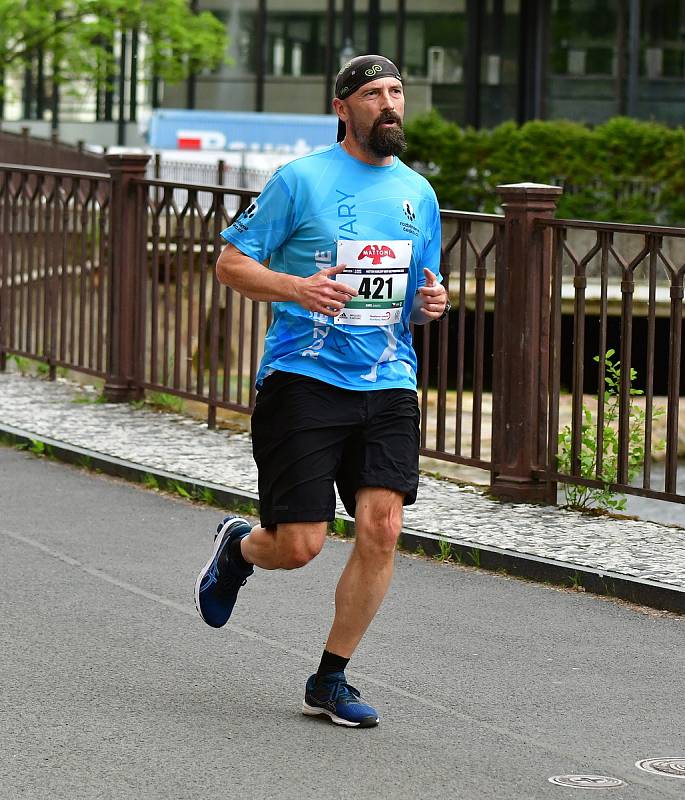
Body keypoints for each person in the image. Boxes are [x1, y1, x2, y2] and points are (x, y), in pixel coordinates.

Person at [194, 54, 448, 728]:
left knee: (382, 528)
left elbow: (418, 292)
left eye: (396, 92)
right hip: (303, 380)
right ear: (342, 108)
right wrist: (297, 287)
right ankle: (241, 548)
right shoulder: (299, 180)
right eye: (373, 94)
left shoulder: (417, 194)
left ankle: (328, 679)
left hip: (388, 379)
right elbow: (230, 262)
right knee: (299, 545)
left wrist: (432, 301)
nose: (389, 104)